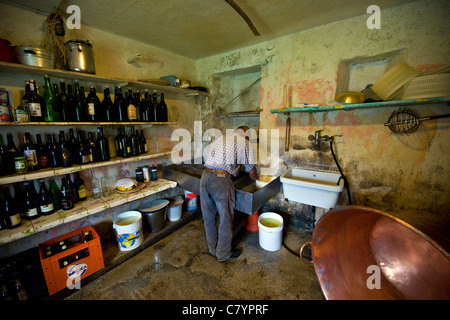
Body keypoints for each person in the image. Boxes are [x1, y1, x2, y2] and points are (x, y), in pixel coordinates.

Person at [200, 126, 259, 262]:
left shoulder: (222, 138)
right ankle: (223, 254)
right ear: (246, 135)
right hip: (220, 180)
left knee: (208, 217)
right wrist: (257, 179)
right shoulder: (244, 142)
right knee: (226, 218)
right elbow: (251, 170)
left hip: (205, 177)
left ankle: (212, 248)